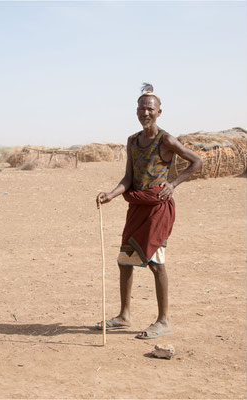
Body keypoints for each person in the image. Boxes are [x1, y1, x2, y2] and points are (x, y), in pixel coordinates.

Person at [96, 83, 202, 339]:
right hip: (137, 207)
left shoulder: (166, 139)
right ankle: (124, 315)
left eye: (150, 109)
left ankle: (163, 321)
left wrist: (173, 183)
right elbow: (128, 178)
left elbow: (198, 161)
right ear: (136, 111)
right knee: (125, 262)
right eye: (142, 108)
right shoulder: (132, 141)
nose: (145, 113)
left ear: (159, 112)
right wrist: (110, 194)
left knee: (156, 263)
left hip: (157, 209)